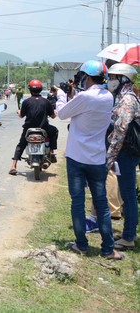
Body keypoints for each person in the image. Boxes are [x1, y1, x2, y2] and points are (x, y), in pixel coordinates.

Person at [57, 60, 124, 260]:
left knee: (77, 202)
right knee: (101, 204)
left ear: (87, 77)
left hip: (77, 157)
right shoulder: (108, 97)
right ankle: (108, 249)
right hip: (97, 158)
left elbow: (62, 113)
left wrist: (62, 96)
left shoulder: (85, 96)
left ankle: (81, 244)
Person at [104, 62, 140, 251]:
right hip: (125, 151)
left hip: (125, 152)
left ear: (123, 78)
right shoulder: (125, 96)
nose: (110, 81)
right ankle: (129, 232)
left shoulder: (127, 99)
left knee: (128, 194)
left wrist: (111, 153)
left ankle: (128, 237)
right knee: (128, 193)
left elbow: (121, 129)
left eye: (113, 77)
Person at [9, 79, 59, 175]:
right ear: (40, 89)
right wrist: (54, 113)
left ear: (30, 90)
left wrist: (18, 112)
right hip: (43, 129)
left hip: (29, 129)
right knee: (54, 131)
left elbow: (21, 115)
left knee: (21, 144)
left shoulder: (26, 102)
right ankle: (51, 152)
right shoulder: (46, 102)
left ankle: (13, 166)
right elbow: (52, 116)